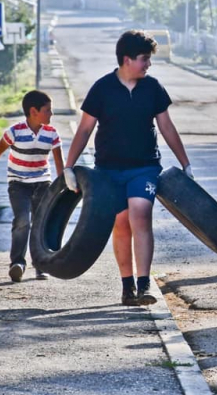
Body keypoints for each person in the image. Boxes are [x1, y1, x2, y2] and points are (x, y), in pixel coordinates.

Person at [63, 30, 194, 306]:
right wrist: (69, 167)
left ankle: (145, 285)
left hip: (144, 167)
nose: (148, 65)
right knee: (121, 224)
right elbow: (85, 129)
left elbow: (167, 127)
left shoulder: (153, 88)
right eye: (144, 59)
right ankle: (127, 287)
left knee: (141, 213)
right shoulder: (102, 88)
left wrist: (186, 164)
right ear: (127, 59)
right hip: (108, 170)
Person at [0, 90, 64, 282]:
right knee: (22, 220)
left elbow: (59, 163)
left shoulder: (51, 134)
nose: (51, 114)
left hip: (42, 183)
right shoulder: (15, 132)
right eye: (48, 110)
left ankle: (40, 265)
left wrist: (62, 187)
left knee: (40, 222)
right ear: (34, 111)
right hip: (18, 184)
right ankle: (17, 263)